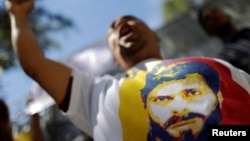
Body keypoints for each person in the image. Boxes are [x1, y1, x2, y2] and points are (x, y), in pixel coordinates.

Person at [5, 0, 250, 140]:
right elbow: (34, 64)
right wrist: (18, 16)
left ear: (155, 35)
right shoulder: (93, 94)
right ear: (114, 57)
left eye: (131, 17)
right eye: (112, 28)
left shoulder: (217, 64)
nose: (121, 23)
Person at [197, 7, 250, 74]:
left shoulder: (247, 32)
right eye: (207, 18)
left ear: (227, 15)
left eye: (215, 12)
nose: (213, 16)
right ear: (208, 32)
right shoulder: (225, 60)